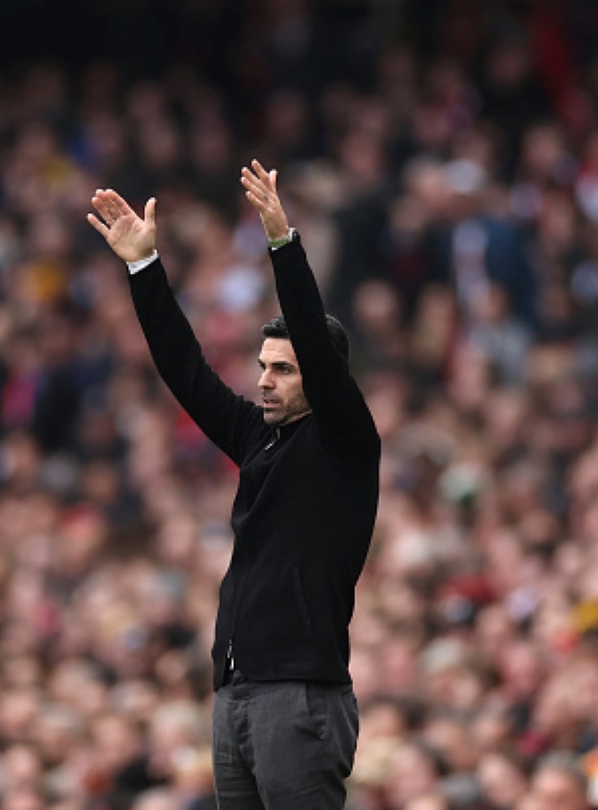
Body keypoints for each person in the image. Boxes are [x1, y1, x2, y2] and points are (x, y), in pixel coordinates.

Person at [87, 160, 381, 809]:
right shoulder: (258, 437)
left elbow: (311, 333)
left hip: (300, 694)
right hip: (237, 693)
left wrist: (283, 243)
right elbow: (185, 371)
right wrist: (144, 268)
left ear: (323, 376)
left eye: (283, 369)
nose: (265, 380)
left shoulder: (345, 440)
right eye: (262, 367)